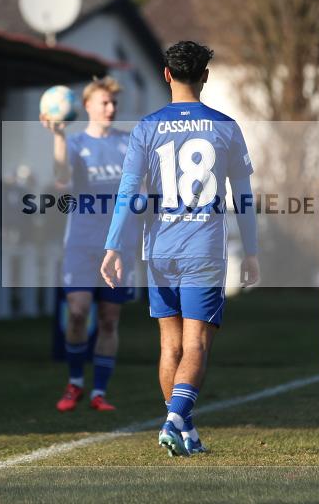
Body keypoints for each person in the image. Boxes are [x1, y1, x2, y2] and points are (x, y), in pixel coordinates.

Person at [101, 41, 260, 456]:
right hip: (203, 250)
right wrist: (252, 250)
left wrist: (113, 246)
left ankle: (186, 431)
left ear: (167, 75)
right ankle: (174, 421)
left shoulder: (146, 128)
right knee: (196, 346)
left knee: (169, 346)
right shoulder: (226, 127)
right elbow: (243, 197)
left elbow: (127, 192)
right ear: (205, 76)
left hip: (160, 250)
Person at [41, 76, 135, 412]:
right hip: (81, 243)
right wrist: (58, 137)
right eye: (104, 103)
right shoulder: (76, 143)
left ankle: (99, 392)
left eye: (114, 103)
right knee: (78, 313)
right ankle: (75, 382)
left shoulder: (128, 143)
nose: (110, 108)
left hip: (118, 247)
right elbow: (61, 177)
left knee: (109, 319)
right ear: (87, 106)